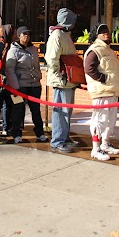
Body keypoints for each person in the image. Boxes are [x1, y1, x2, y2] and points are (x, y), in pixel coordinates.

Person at [83, 24, 119, 161]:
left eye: (106, 31)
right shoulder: (95, 50)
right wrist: (104, 79)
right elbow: (89, 68)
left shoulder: (110, 51)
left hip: (113, 91)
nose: (105, 34)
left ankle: (105, 144)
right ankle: (96, 148)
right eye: (102, 32)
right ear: (96, 35)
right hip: (101, 91)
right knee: (99, 120)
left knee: (111, 120)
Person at [44, 8, 79, 153]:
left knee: (67, 110)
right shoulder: (57, 35)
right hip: (62, 80)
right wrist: (60, 74)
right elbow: (51, 58)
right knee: (61, 111)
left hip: (68, 79)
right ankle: (57, 140)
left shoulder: (65, 35)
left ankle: (64, 137)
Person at [5, 26, 47, 143]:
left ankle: (40, 133)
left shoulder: (33, 49)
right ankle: (16, 134)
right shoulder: (13, 50)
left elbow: (37, 65)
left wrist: (38, 77)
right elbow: (10, 70)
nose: (27, 36)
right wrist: (15, 87)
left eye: (28, 34)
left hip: (33, 84)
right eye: (24, 34)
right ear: (19, 36)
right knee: (18, 109)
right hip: (19, 86)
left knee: (36, 110)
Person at [0, 24, 15, 136]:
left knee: (8, 104)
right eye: (13, 33)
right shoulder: (0, 45)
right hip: (0, 81)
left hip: (9, 80)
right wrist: (1, 73)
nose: (15, 35)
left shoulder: (11, 45)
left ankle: (6, 127)